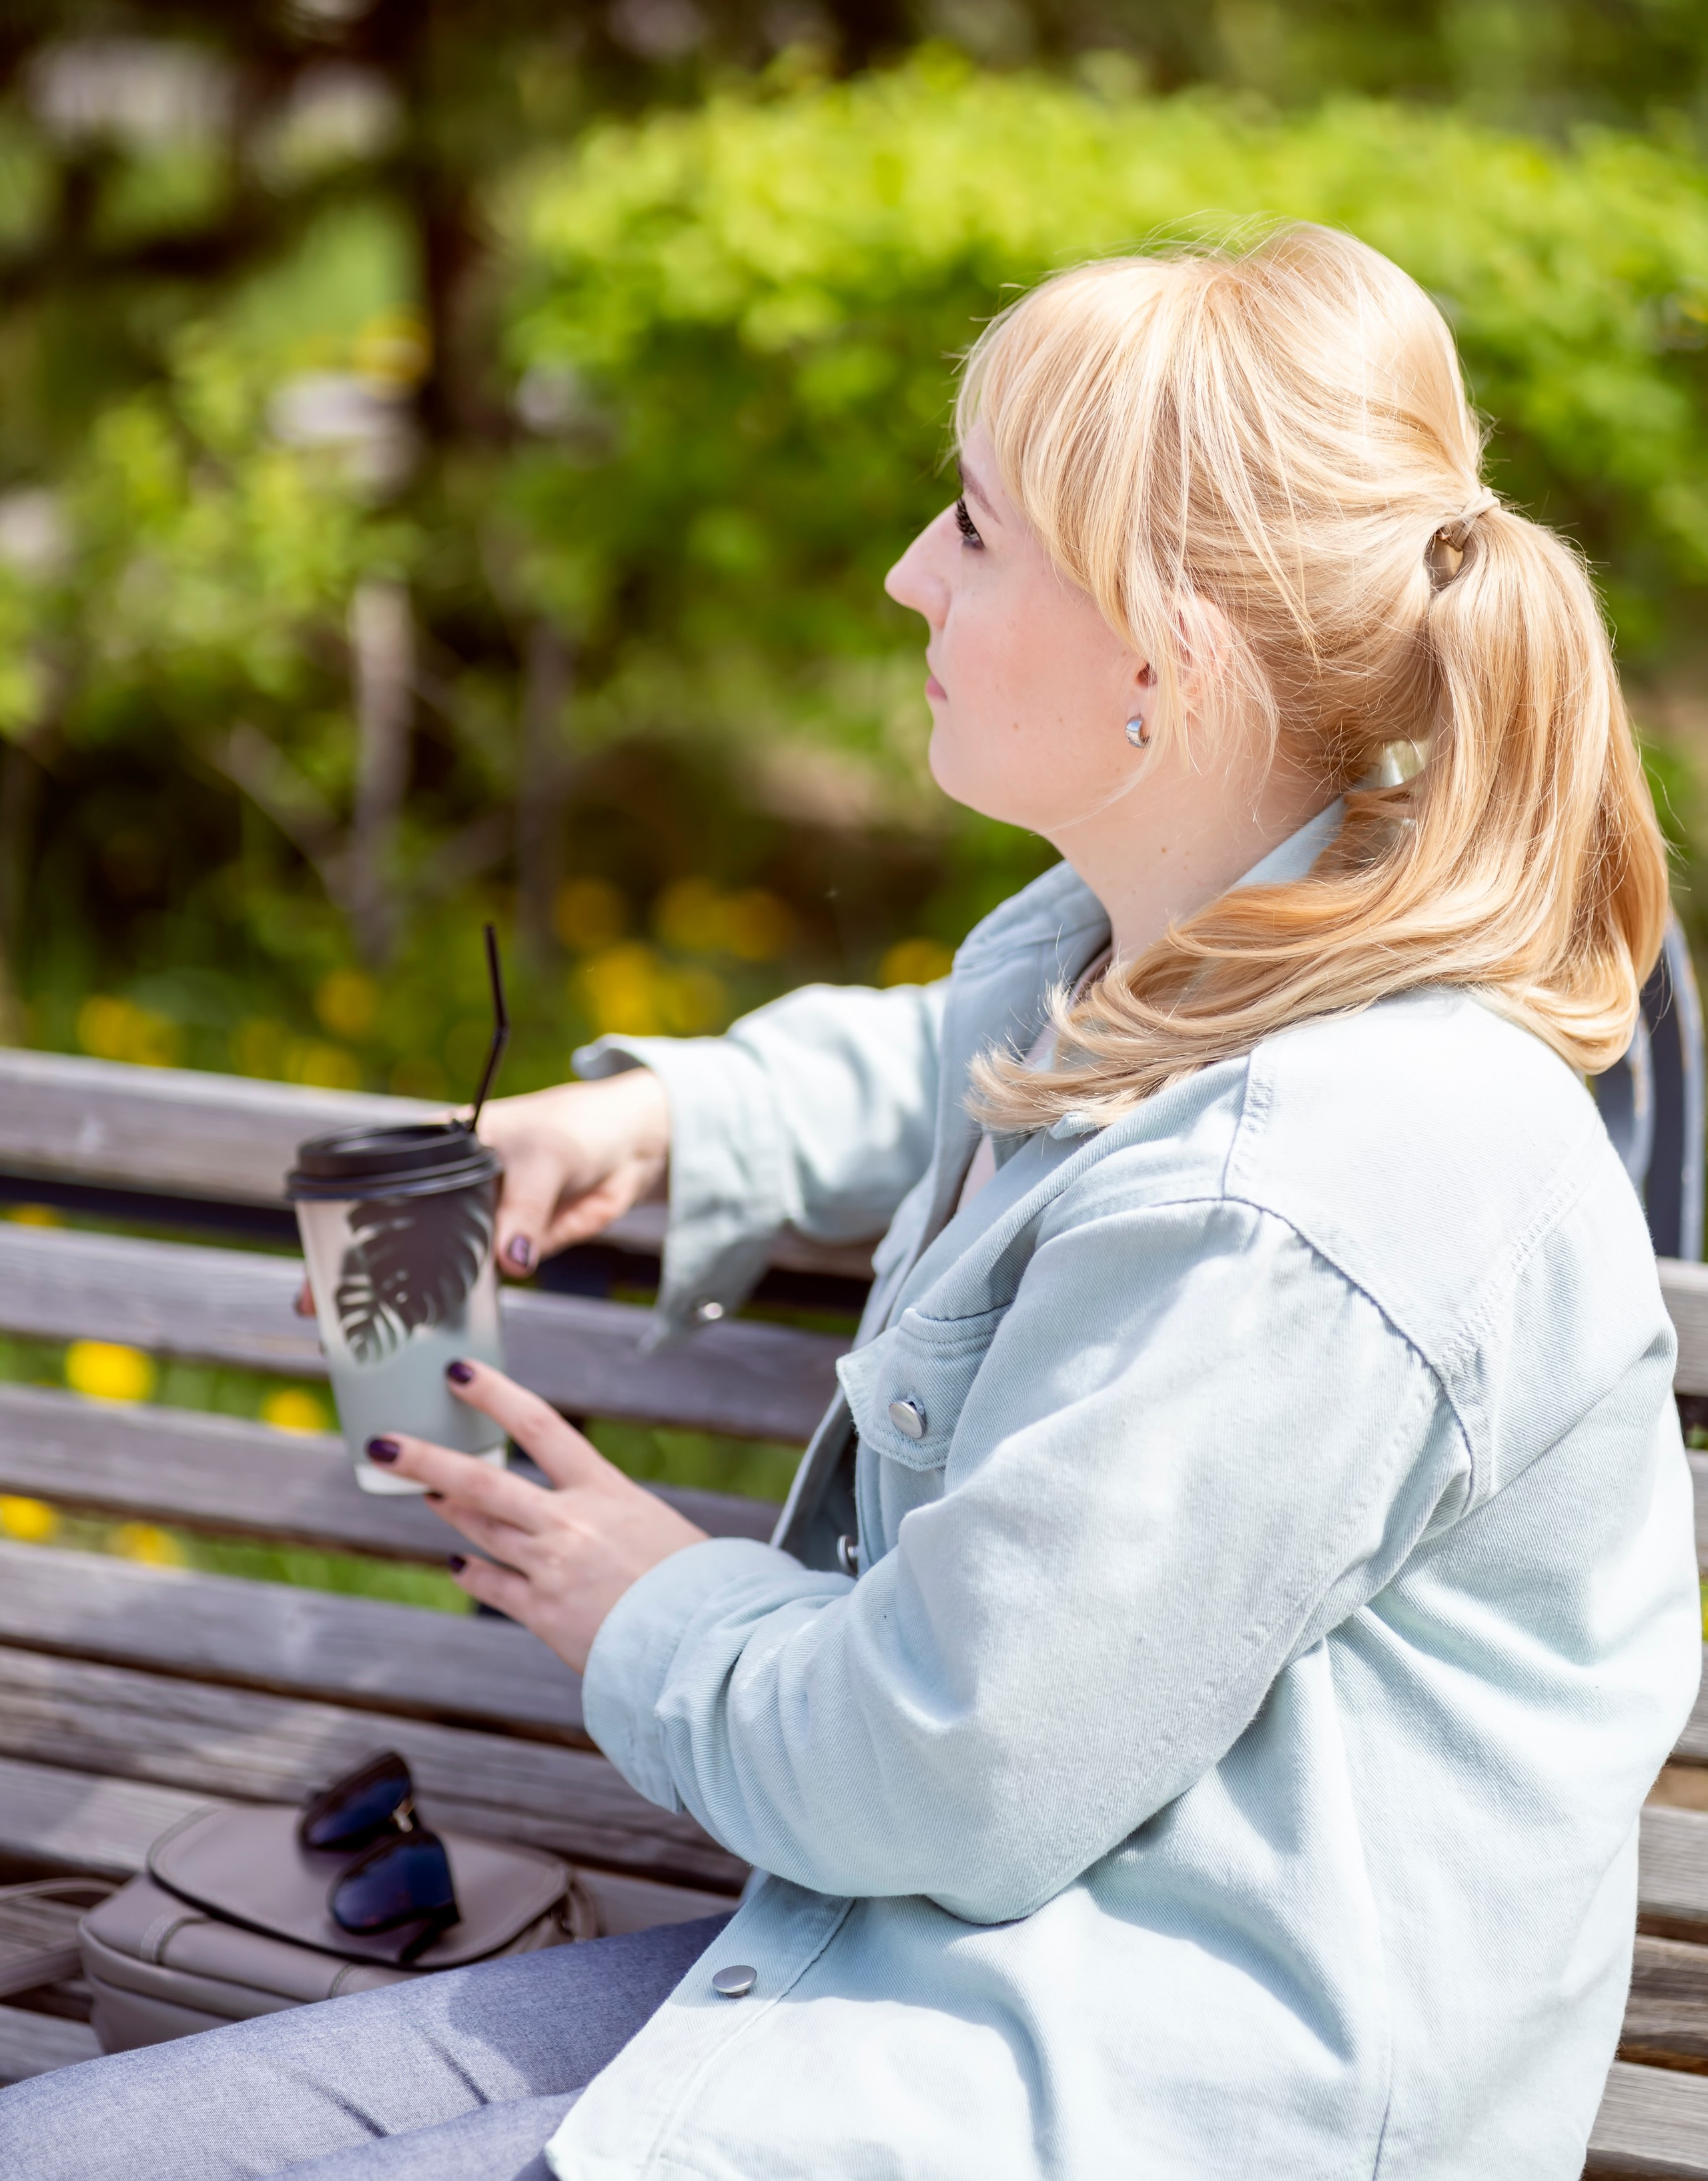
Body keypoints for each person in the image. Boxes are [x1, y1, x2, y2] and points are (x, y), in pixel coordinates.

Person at [5, 222, 1699, 2181]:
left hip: (1122, 2095)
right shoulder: (1160, 957)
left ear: (1160, 644)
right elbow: (966, 1059)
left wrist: (636, 1592)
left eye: (974, 528)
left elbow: (946, 1761)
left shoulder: (1311, 1187)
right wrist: (665, 1123)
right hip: (888, 1987)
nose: (909, 568)